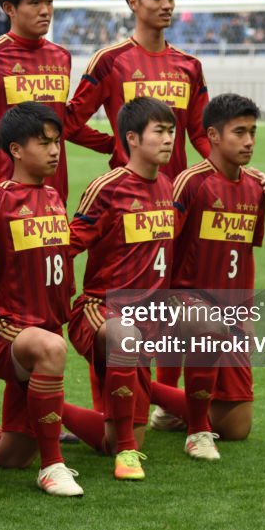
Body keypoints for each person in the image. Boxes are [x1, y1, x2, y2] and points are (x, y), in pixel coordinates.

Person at [0, 0, 102, 426]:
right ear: (8, 7)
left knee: (43, 306)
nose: (45, 11)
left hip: (49, 200)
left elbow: (65, 124)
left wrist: (115, 147)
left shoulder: (60, 56)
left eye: (49, 2)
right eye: (34, 3)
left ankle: (30, 421)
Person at [61, 97, 187, 480]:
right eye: (159, 132)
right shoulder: (108, 187)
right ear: (132, 138)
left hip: (148, 319)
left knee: (113, 437)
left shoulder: (167, 185)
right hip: (103, 309)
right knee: (125, 335)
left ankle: (46, 405)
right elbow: (68, 245)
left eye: (171, 131)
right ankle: (128, 455)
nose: (169, 139)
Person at [0, 102, 84, 498]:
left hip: (42, 329)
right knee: (51, 348)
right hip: (5, 329)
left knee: (13, 454)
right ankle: (53, 467)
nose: (54, 151)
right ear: (15, 149)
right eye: (43, 143)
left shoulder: (51, 196)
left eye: (57, 142)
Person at [170, 92, 265, 460]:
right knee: (208, 327)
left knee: (237, 429)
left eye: (253, 132)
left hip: (231, 309)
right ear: (212, 135)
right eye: (239, 132)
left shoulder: (256, 188)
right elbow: (163, 247)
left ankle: (170, 406)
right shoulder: (191, 183)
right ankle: (195, 431)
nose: (248, 142)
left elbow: (244, 257)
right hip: (182, 300)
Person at [63, 0, 210, 182]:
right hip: (125, 194)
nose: (167, 5)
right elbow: (69, 123)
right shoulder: (109, 61)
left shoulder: (190, 66)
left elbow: (201, 134)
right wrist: (112, 145)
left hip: (174, 195)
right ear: (134, 2)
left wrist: (234, 171)